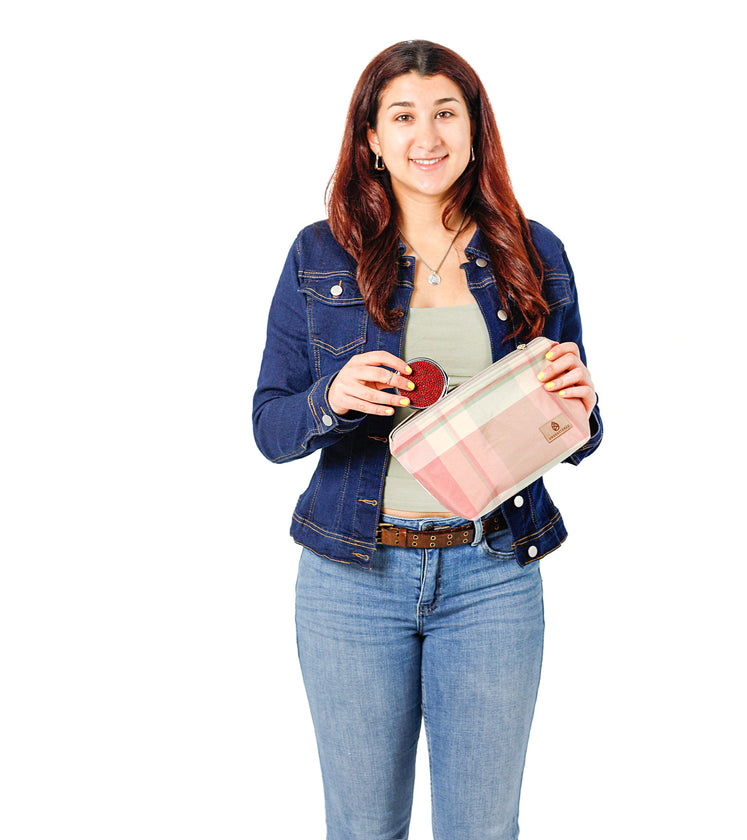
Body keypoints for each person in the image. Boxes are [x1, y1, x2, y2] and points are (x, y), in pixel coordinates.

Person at [253, 39, 603, 840]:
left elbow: (579, 433)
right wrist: (330, 399)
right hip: (352, 576)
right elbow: (269, 427)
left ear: (474, 128)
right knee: (363, 828)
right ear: (370, 138)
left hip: (491, 575)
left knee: (483, 830)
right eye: (402, 116)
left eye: (446, 112)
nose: (427, 136)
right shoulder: (321, 255)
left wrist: (583, 407)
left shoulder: (533, 252)